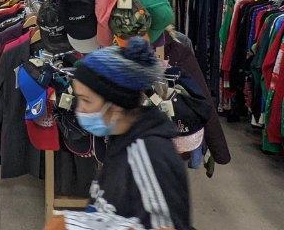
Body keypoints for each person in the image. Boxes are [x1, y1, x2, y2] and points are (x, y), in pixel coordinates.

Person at [55, 38, 191, 230]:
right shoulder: (122, 138)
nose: (80, 109)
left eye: (86, 100)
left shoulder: (151, 155)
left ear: (116, 106)